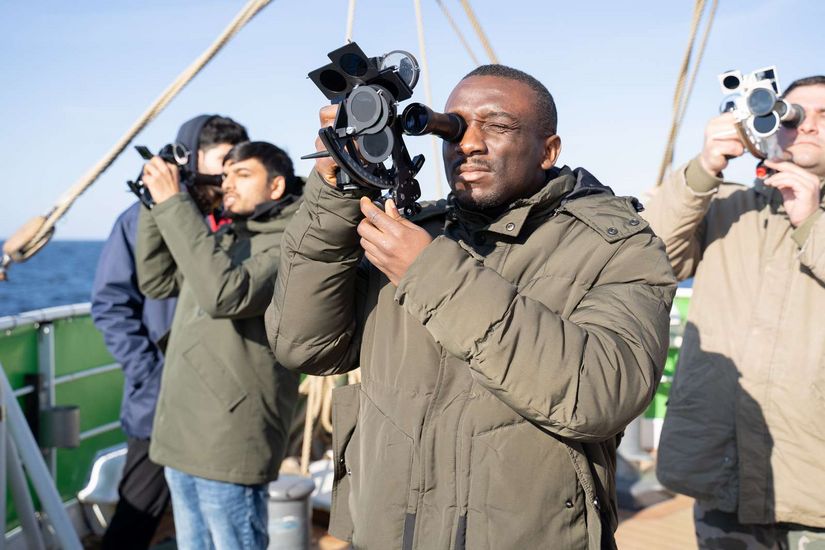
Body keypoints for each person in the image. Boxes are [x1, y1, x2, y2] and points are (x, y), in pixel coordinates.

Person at [266, 64, 676, 549]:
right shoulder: (418, 233)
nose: (468, 143)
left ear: (550, 150)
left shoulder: (618, 245)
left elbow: (601, 393)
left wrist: (428, 272)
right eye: (454, 126)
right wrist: (335, 194)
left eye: (498, 126)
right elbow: (304, 345)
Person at [645, 76, 825, 548]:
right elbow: (649, 256)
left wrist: (812, 223)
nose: (806, 127)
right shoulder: (725, 205)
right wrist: (704, 169)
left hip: (814, 489)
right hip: (722, 476)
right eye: (795, 114)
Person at [91, 114, 248, 550]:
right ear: (192, 159)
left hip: (222, 407)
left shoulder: (240, 220)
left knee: (219, 519)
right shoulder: (138, 219)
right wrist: (152, 376)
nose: (230, 172)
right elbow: (111, 305)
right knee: (134, 521)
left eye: (239, 162)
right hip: (159, 403)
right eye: (223, 161)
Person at [136, 140, 302, 550]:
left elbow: (225, 294)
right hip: (184, 431)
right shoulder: (229, 236)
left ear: (277, 187)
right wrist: (153, 204)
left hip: (230, 439)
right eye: (225, 175)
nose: (228, 184)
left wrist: (174, 203)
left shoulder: (290, 243)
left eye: (243, 175)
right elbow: (156, 282)